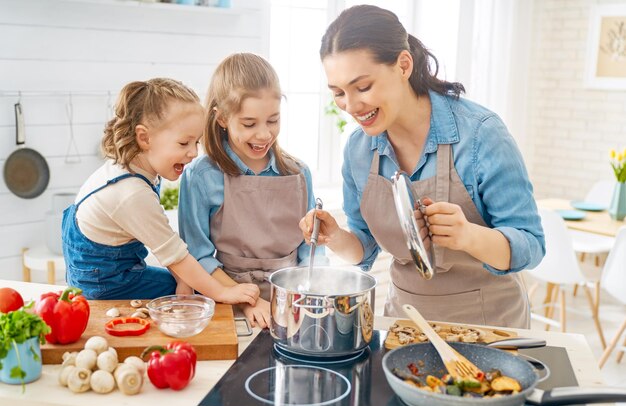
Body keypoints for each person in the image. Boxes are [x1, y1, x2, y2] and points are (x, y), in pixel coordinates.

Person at [300, 5, 545, 328]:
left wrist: (467, 235)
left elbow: (531, 245)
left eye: (362, 87)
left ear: (403, 65)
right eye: (338, 93)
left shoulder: (481, 134)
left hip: (489, 326)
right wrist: (335, 237)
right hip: (405, 322)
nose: (351, 106)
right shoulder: (359, 151)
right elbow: (364, 248)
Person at [62, 77, 260, 307]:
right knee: (201, 293)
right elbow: (176, 256)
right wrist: (223, 293)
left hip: (105, 273)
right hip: (106, 285)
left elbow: (164, 242)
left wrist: (182, 279)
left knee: (189, 284)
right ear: (144, 138)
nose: (194, 153)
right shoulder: (131, 193)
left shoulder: (130, 168)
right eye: (184, 143)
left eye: (196, 142)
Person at [178, 53, 325, 329]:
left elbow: (311, 249)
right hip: (225, 301)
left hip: (293, 303)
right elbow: (197, 256)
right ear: (221, 118)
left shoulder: (298, 173)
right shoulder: (200, 176)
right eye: (249, 124)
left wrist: (308, 290)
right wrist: (245, 299)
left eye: (273, 120)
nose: (264, 135)